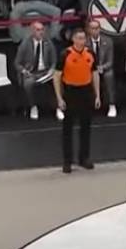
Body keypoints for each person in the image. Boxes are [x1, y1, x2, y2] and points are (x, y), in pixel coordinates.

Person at [53, 28, 101, 174]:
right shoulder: (65, 54)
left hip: (86, 91)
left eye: (83, 38)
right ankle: (67, 161)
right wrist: (59, 97)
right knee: (67, 128)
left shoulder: (90, 53)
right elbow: (57, 76)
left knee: (85, 126)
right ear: (73, 39)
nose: (81, 41)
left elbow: (95, 74)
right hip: (70, 92)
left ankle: (84, 158)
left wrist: (97, 95)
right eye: (79, 38)